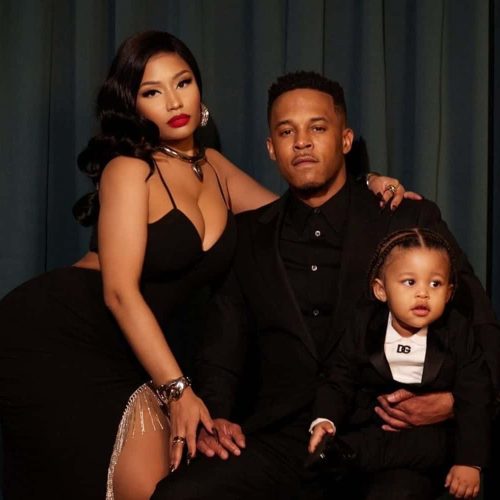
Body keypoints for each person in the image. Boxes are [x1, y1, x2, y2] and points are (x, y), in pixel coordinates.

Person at [0, 34, 405, 500]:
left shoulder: (213, 167)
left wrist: (366, 181)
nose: (174, 102)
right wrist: (179, 391)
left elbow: (299, 215)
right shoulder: (129, 170)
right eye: (152, 91)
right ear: (133, 104)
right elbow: (119, 293)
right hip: (65, 334)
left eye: (183, 82)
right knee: (147, 488)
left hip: (139, 350)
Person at [152, 71, 500, 500]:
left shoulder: (406, 219)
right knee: (180, 494)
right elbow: (222, 346)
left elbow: (478, 322)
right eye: (287, 132)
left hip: (386, 441)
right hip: (283, 440)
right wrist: (216, 417)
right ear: (271, 149)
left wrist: (454, 403)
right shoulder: (247, 236)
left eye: (317, 128)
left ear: (345, 140)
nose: (301, 142)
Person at [308, 228, 493, 499]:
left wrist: (470, 462)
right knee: (364, 447)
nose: (423, 293)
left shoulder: (457, 331)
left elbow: (476, 394)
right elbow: (339, 378)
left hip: (430, 438)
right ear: (381, 290)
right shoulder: (364, 323)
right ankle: (340, 456)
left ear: (449, 293)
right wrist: (325, 420)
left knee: (427, 444)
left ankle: (347, 455)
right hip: (373, 426)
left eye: (435, 284)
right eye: (409, 282)